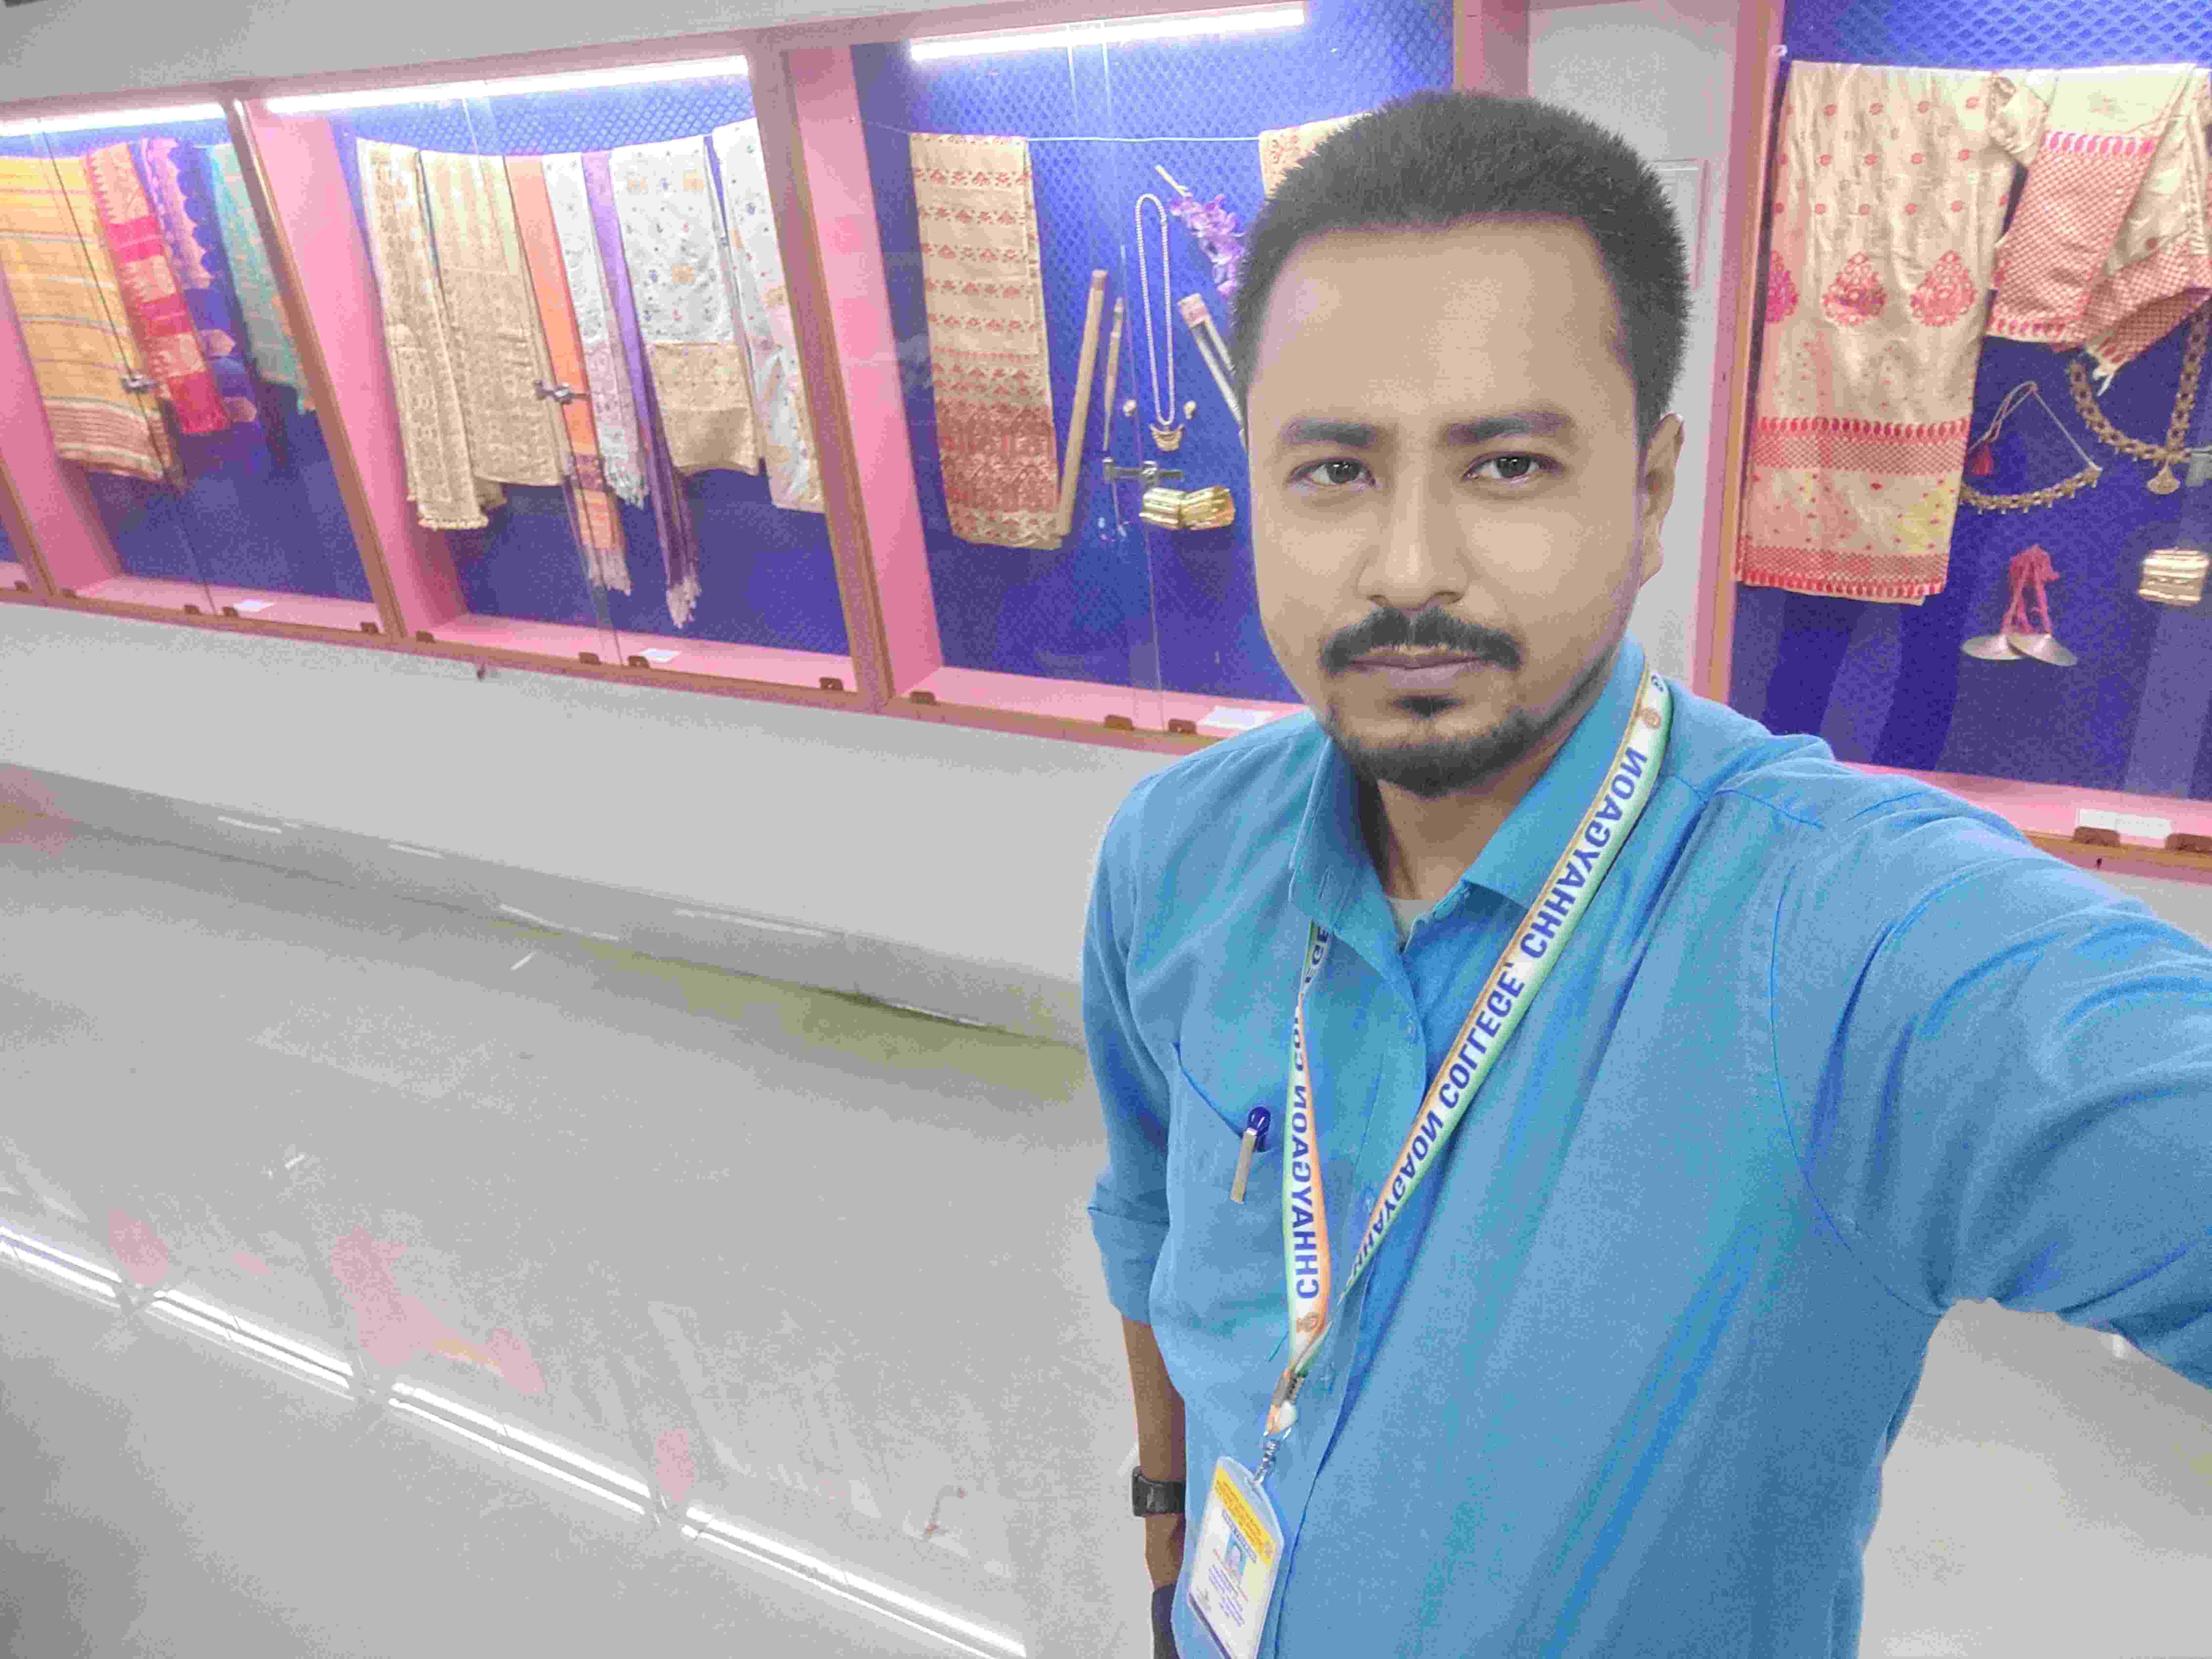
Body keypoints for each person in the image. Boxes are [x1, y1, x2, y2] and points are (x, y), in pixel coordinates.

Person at [1083, 88, 2212, 1659]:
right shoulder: (1176, 855)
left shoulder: (1846, 943)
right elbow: (1149, 1223)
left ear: (1651, 491)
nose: (1408, 567)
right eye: (1333, 470)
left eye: (1509, 465)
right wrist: (1163, 1516)